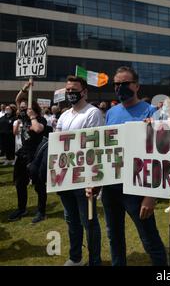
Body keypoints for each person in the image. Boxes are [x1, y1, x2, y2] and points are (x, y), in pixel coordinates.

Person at [90, 66, 167, 266]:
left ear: (136, 85)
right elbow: (106, 149)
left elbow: (160, 154)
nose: (120, 88)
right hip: (111, 187)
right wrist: (96, 181)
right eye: (116, 84)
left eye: (125, 84)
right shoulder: (111, 113)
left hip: (138, 188)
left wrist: (151, 195)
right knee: (114, 236)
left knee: (149, 238)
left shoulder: (152, 112)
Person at [56, 75, 104, 266]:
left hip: (84, 178)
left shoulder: (92, 113)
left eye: (74, 90)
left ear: (84, 92)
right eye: (68, 90)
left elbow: (96, 147)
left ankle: (94, 260)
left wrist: (94, 179)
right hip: (65, 176)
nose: (70, 93)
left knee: (89, 221)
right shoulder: (64, 115)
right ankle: (75, 257)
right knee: (71, 221)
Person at [8, 83, 48, 222]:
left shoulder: (40, 119)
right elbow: (17, 99)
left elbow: (37, 129)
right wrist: (24, 88)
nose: (22, 108)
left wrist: (32, 117)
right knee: (20, 183)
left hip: (35, 156)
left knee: (38, 185)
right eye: (22, 107)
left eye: (26, 107)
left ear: (33, 109)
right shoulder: (23, 117)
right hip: (22, 154)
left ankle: (41, 212)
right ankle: (21, 209)